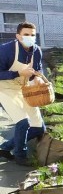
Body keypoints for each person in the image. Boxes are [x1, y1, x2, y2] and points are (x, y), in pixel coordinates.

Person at [0, 22, 46, 166]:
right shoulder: (6, 50)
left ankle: (5, 148)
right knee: (23, 122)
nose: (30, 37)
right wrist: (18, 73)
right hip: (5, 88)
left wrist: (38, 79)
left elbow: (37, 70)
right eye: (26, 34)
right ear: (18, 36)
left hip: (24, 88)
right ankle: (20, 155)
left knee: (38, 127)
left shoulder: (36, 50)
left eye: (32, 35)